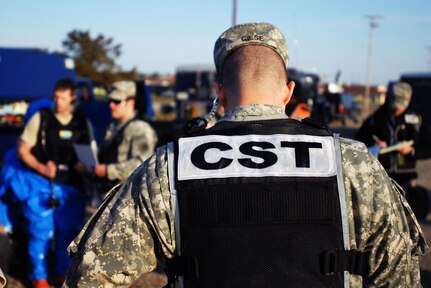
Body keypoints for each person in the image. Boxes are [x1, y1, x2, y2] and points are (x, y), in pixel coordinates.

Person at [64, 23, 428, 288]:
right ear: (288, 93)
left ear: (220, 95)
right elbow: (399, 274)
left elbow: (91, 275)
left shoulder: (171, 165)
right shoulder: (352, 163)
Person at [17, 78, 93, 288]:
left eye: (63, 98)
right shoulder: (41, 119)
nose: (58, 102)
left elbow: (90, 155)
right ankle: (38, 277)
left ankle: (62, 274)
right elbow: (22, 150)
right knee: (40, 232)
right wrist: (42, 168)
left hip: (71, 187)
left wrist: (84, 165)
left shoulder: (82, 121)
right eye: (56, 97)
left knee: (67, 234)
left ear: (73, 98)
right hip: (42, 185)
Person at [355, 82, 429, 219]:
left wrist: (412, 150)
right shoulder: (374, 120)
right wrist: (374, 146)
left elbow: (428, 146)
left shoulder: (416, 121)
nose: (397, 109)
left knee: (403, 219)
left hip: (405, 180)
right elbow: (358, 144)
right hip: (380, 178)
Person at [94, 81, 157, 193]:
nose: (111, 105)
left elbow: (142, 165)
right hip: (107, 193)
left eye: (116, 101)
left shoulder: (140, 129)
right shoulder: (112, 127)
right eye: (110, 101)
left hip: (126, 197)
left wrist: (109, 171)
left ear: (130, 103)